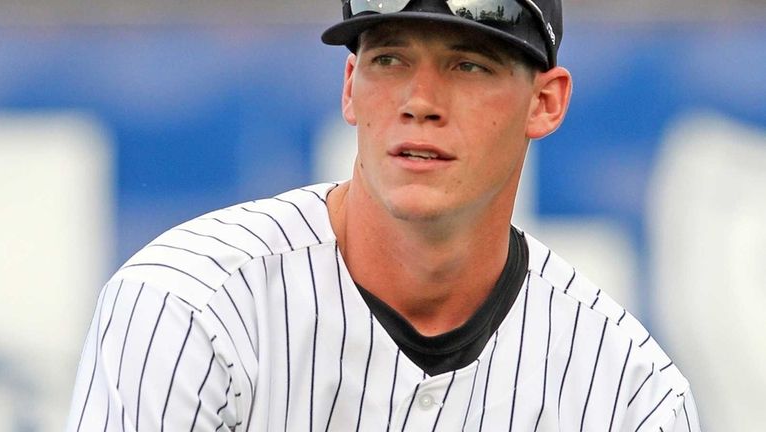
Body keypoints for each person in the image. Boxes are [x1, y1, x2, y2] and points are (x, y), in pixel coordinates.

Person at [67, 0, 701, 430]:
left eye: (468, 64)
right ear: (350, 87)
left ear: (545, 102)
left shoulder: (626, 390)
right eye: (389, 60)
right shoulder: (189, 307)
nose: (419, 101)